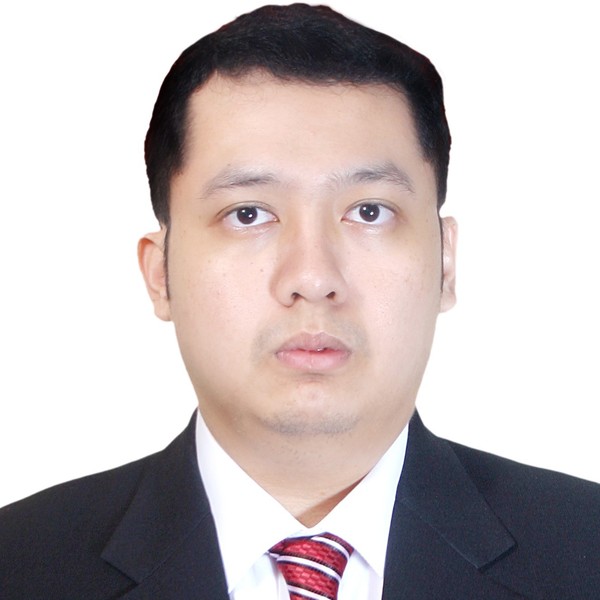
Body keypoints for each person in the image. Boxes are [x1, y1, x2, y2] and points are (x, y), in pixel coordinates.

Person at [1, 4, 598, 599]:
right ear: (160, 275)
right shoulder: (21, 565)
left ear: (444, 262)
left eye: (369, 211)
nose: (312, 278)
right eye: (248, 214)